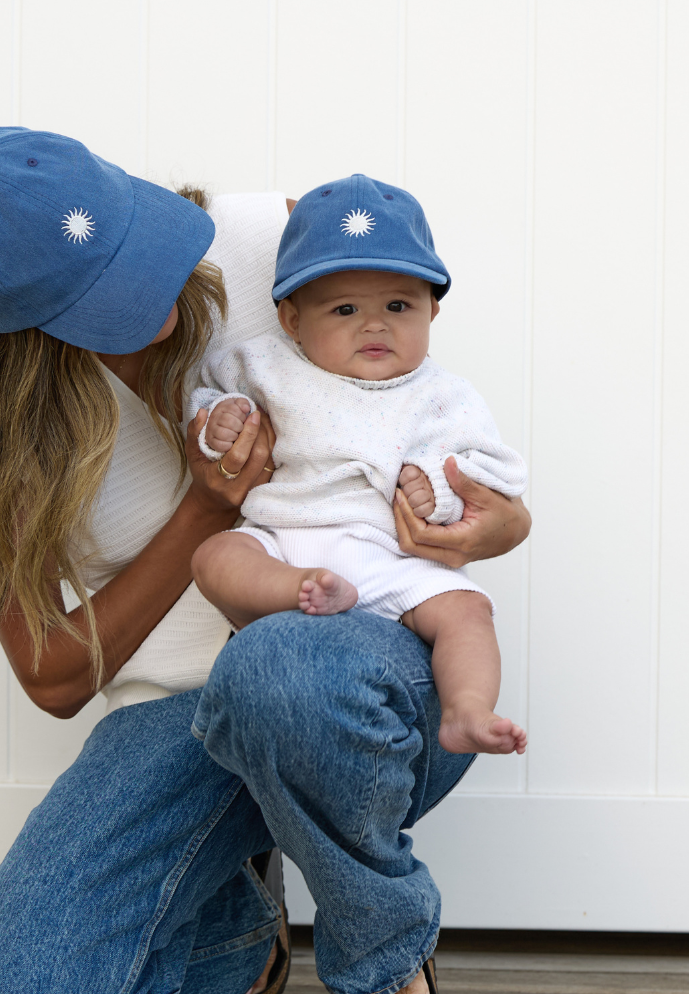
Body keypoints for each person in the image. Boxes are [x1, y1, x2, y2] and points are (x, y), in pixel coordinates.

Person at [0, 126, 531, 994]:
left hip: (348, 671)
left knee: (275, 662)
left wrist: (491, 528)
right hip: (176, 724)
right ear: (24, 328)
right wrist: (209, 509)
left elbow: (418, 400)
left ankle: (384, 949)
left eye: (143, 251)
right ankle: (241, 921)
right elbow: (51, 674)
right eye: (109, 296)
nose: (158, 294)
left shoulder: (263, 239)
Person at [191, 175, 528, 758]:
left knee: (467, 610)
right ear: (292, 320)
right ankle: (295, 590)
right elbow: (209, 398)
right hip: (284, 535)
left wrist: (439, 499)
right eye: (344, 309)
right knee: (216, 556)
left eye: (399, 306)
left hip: (391, 553)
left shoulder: (444, 396)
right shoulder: (265, 364)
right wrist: (218, 419)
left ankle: (466, 709)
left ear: (433, 310)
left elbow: (487, 472)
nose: (375, 325)